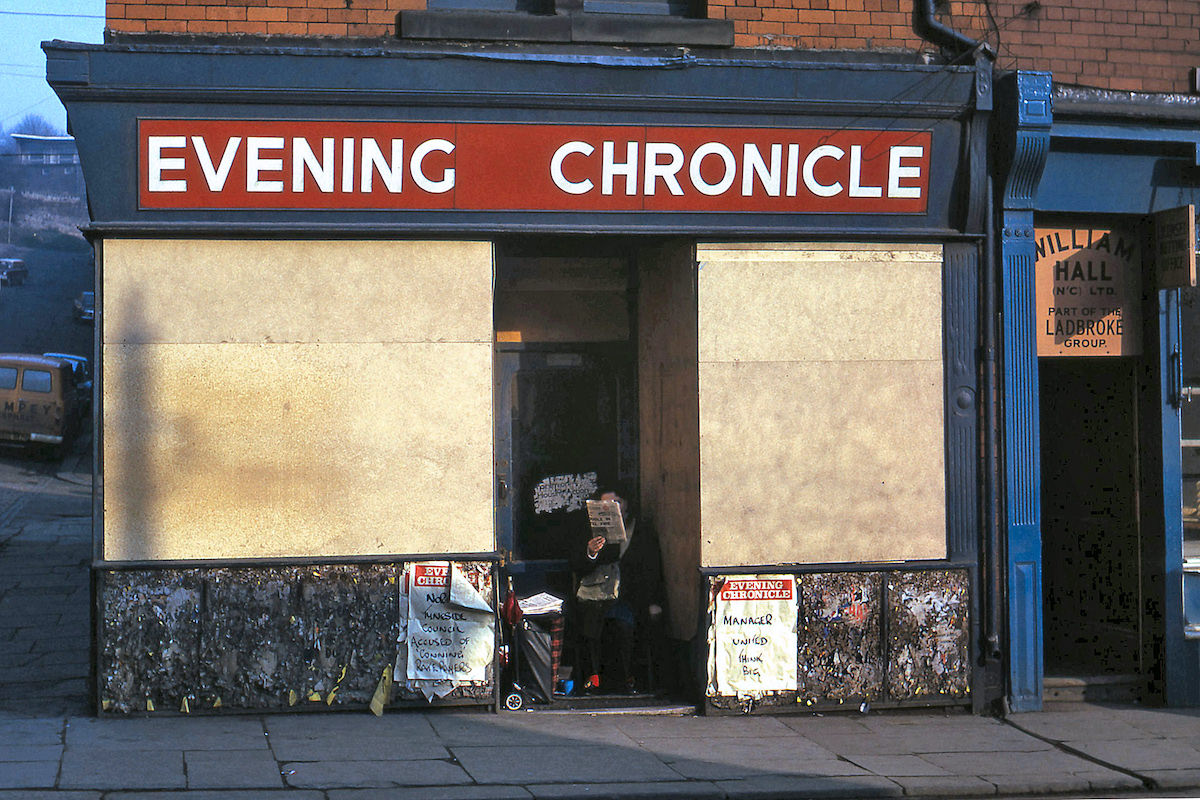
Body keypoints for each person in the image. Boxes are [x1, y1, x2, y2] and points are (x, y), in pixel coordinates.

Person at [571, 488, 664, 693]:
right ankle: (592, 679)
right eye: (605, 505)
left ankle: (626, 678)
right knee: (591, 625)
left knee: (624, 627)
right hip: (598, 594)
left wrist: (653, 601)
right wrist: (591, 552)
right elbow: (577, 565)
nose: (612, 509)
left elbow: (652, 568)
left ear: (627, 505)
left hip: (630, 596)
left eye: (617, 503)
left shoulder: (641, 530)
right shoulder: (591, 532)